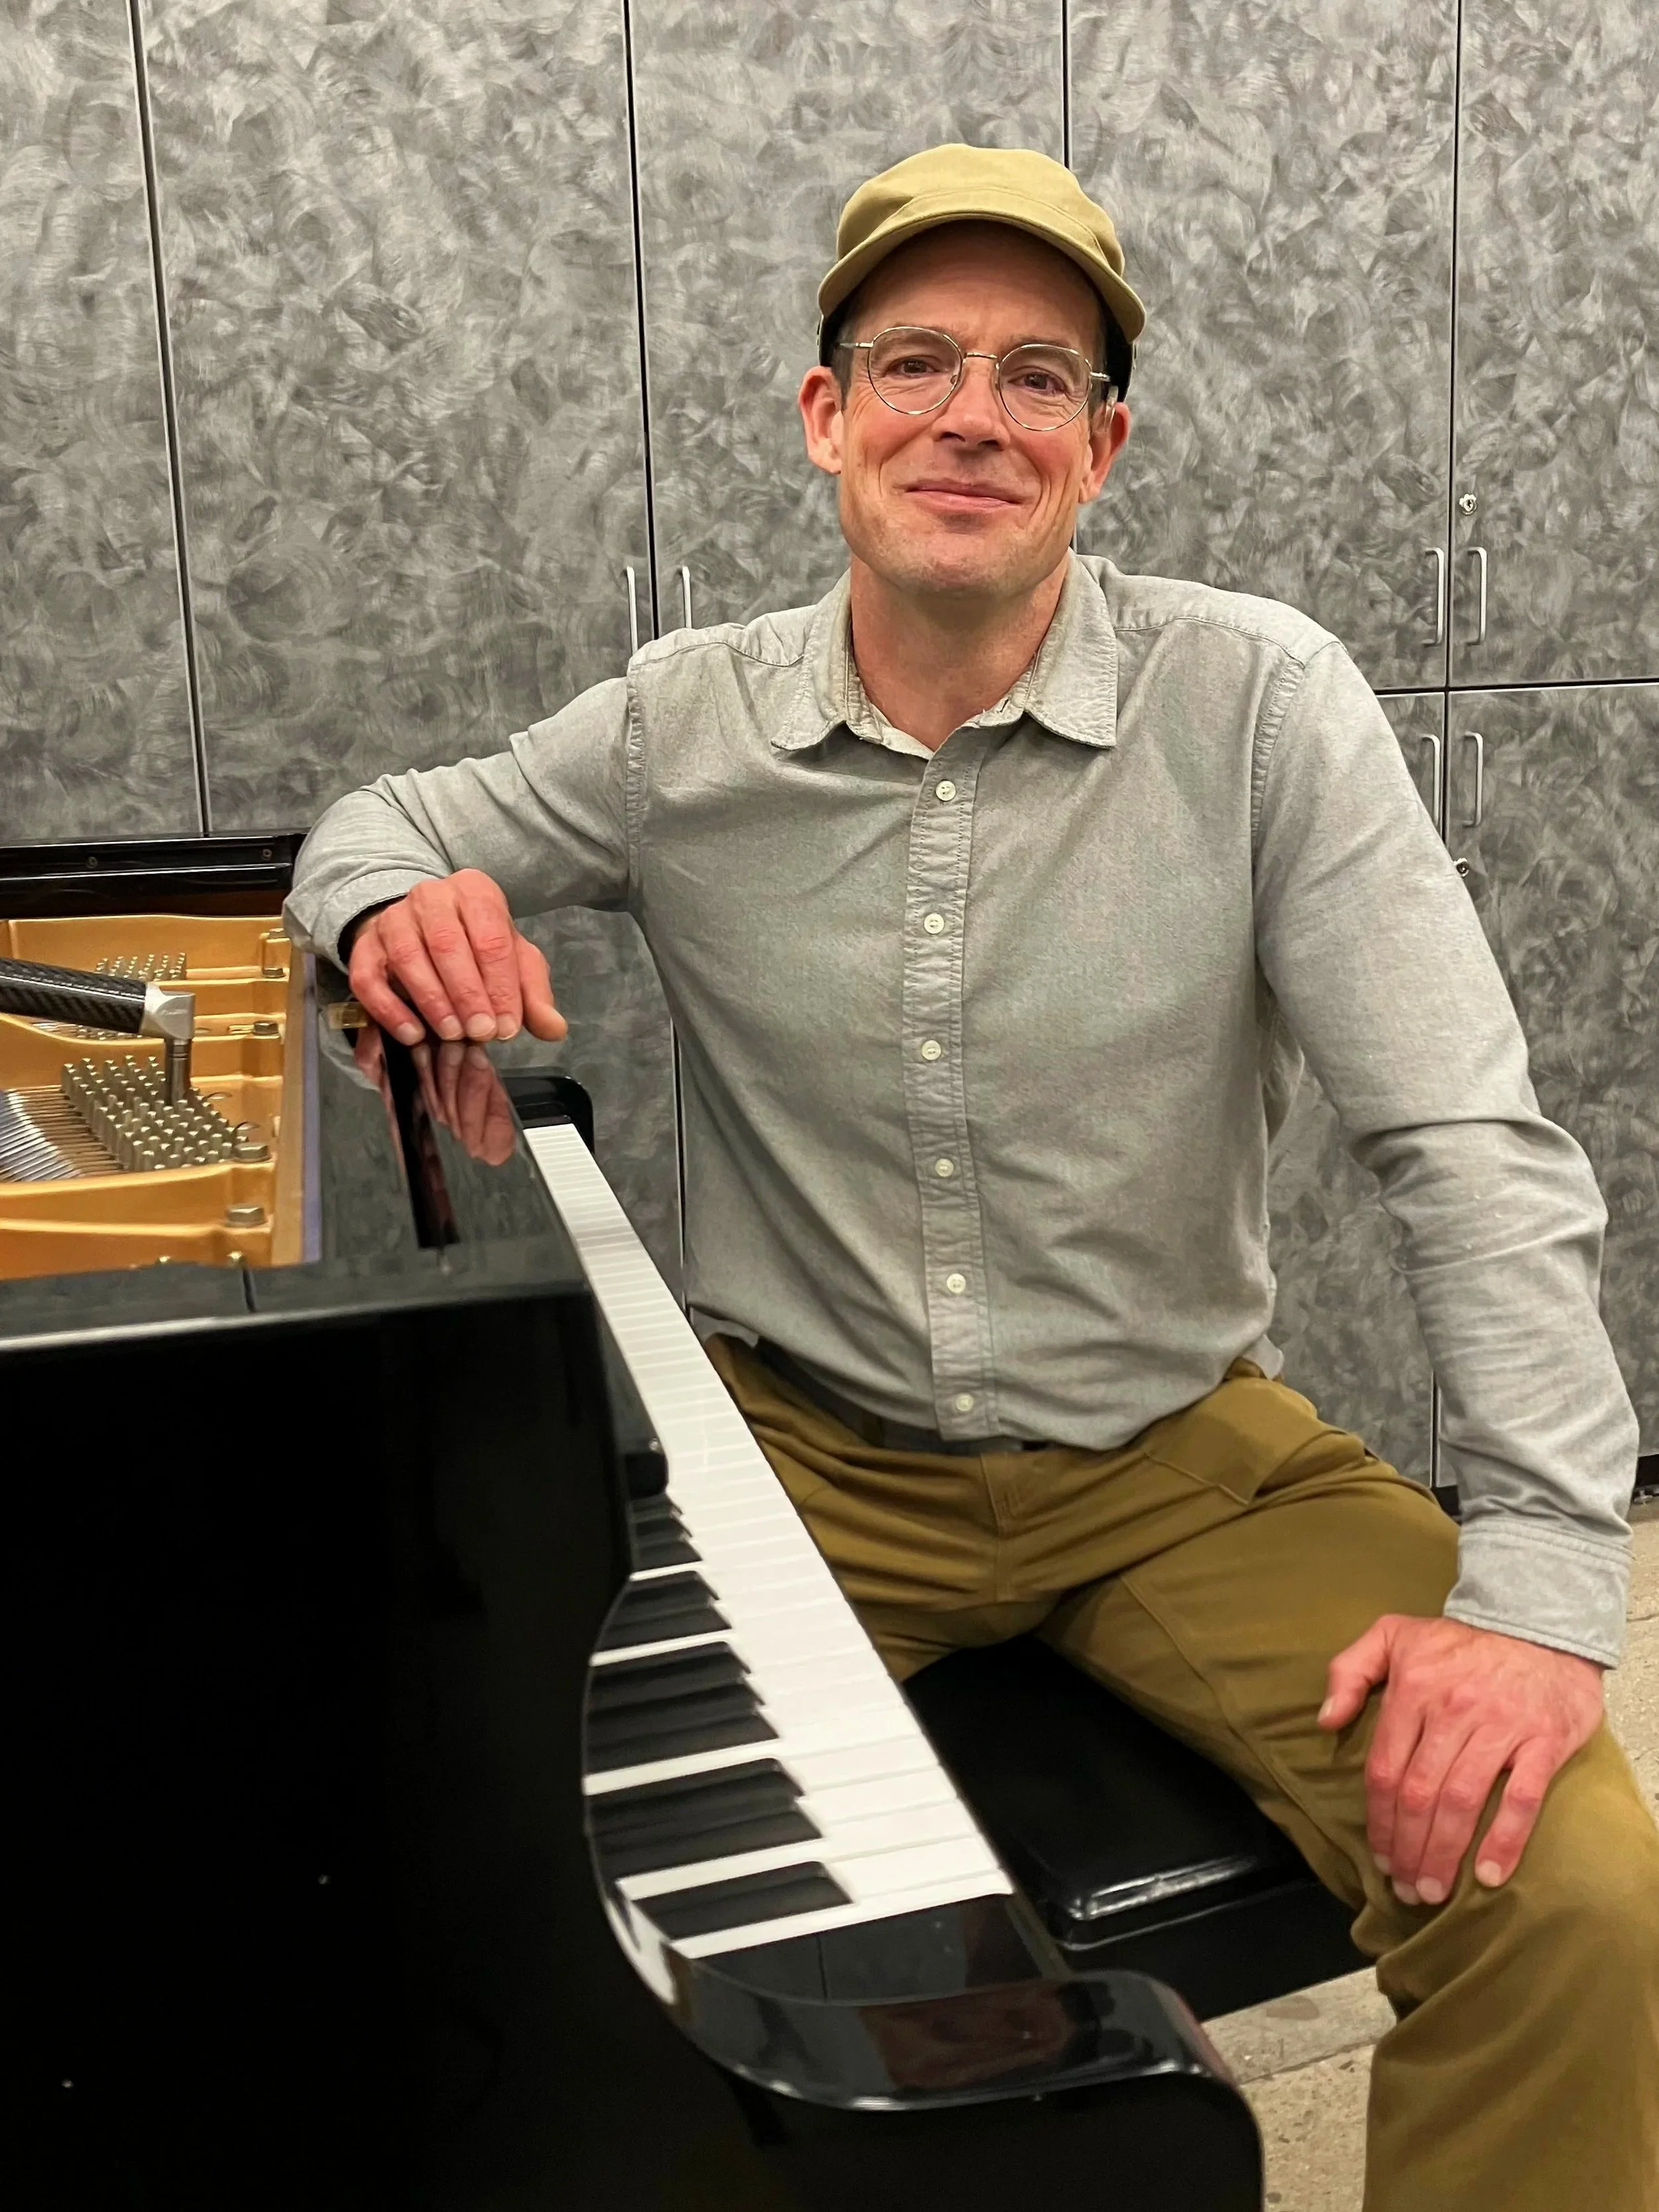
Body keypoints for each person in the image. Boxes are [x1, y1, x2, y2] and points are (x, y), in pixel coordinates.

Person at [283, 144, 1659, 2207]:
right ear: (822, 414)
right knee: (464, 1873)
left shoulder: (1261, 702)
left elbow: (1465, 1144)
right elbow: (373, 820)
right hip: (791, 1462)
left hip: (1183, 1457)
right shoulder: (683, 722)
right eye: (914, 360)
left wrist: (1548, 1593)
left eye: (1038, 375)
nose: (971, 414)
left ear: (1102, 449)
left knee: (1575, 1903)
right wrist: (392, 922)